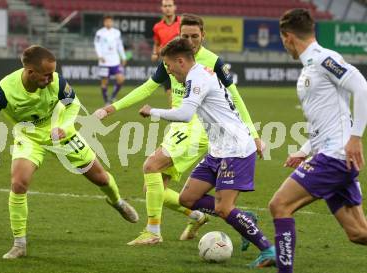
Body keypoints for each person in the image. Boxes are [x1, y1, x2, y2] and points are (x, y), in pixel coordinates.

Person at [0, 45, 139, 259]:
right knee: (18, 183)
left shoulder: (57, 82)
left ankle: (117, 202)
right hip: (29, 138)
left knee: (100, 179)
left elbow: (74, 105)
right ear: (30, 72)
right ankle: (19, 244)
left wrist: (63, 125)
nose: (51, 79)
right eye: (46, 75)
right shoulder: (3, 91)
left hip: (62, 133)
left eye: (53, 73)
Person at [94, 14, 263, 247]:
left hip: (197, 126)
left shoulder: (211, 62)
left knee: (152, 165)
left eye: (195, 36)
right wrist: (113, 107)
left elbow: (235, 97)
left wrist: (254, 134)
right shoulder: (173, 58)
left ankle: (152, 231)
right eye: (185, 36)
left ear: (203, 36)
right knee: (153, 188)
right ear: (178, 35)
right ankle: (212, 216)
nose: (191, 40)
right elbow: (147, 88)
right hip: (179, 124)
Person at [139, 38, 276, 268]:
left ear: (180, 61)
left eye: (169, 66)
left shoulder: (198, 78)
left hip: (236, 149)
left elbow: (184, 114)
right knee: (187, 199)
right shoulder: (198, 74)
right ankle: (242, 218)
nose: (169, 71)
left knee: (224, 208)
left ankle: (268, 249)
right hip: (218, 150)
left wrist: (152, 111)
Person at [268, 8, 367, 273]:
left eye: (282, 39)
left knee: (279, 205)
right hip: (333, 155)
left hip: (336, 157)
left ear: (288, 37)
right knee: (358, 233)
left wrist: (355, 138)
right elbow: (324, 120)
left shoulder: (324, 59)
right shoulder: (311, 67)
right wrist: (304, 149)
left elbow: (361, 86)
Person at [152, 0, 181, 106]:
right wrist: (155, 53)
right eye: (165, 6)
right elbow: (157, 43)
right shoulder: (157, 27)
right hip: (167, 65)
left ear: (174, 7)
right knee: (170, 95)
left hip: (182, 65)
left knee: (185, 95)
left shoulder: (182, 24)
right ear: (162, 8)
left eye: (170, 5)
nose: (167, 8)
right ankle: (176, 120)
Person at [94, 15, 127, 105]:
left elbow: (120, 45)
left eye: (110, 21)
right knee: (104, 82)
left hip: (115, 61)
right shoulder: (99, 33)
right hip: (104, 61)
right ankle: (106, 101)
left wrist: (123, 57)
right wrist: (100, 56)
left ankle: (112, 97)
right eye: (106, 21)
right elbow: (97, 45)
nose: (108, 23)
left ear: (112, 22)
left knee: (121, 79)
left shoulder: (117, 32)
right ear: (104, 22)